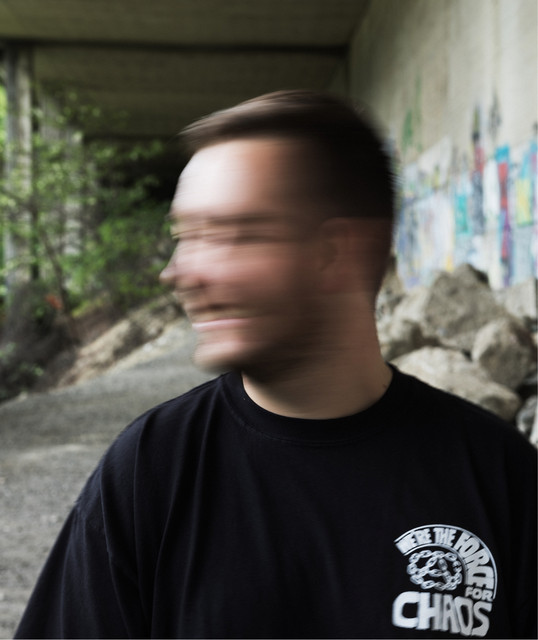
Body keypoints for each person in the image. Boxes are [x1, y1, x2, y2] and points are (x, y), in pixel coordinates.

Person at [16, 90, 536, 639]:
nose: (178, 272)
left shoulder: (502, 480)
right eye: (183, 236)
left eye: (229, 234)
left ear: (334, 252)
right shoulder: (150, 472)